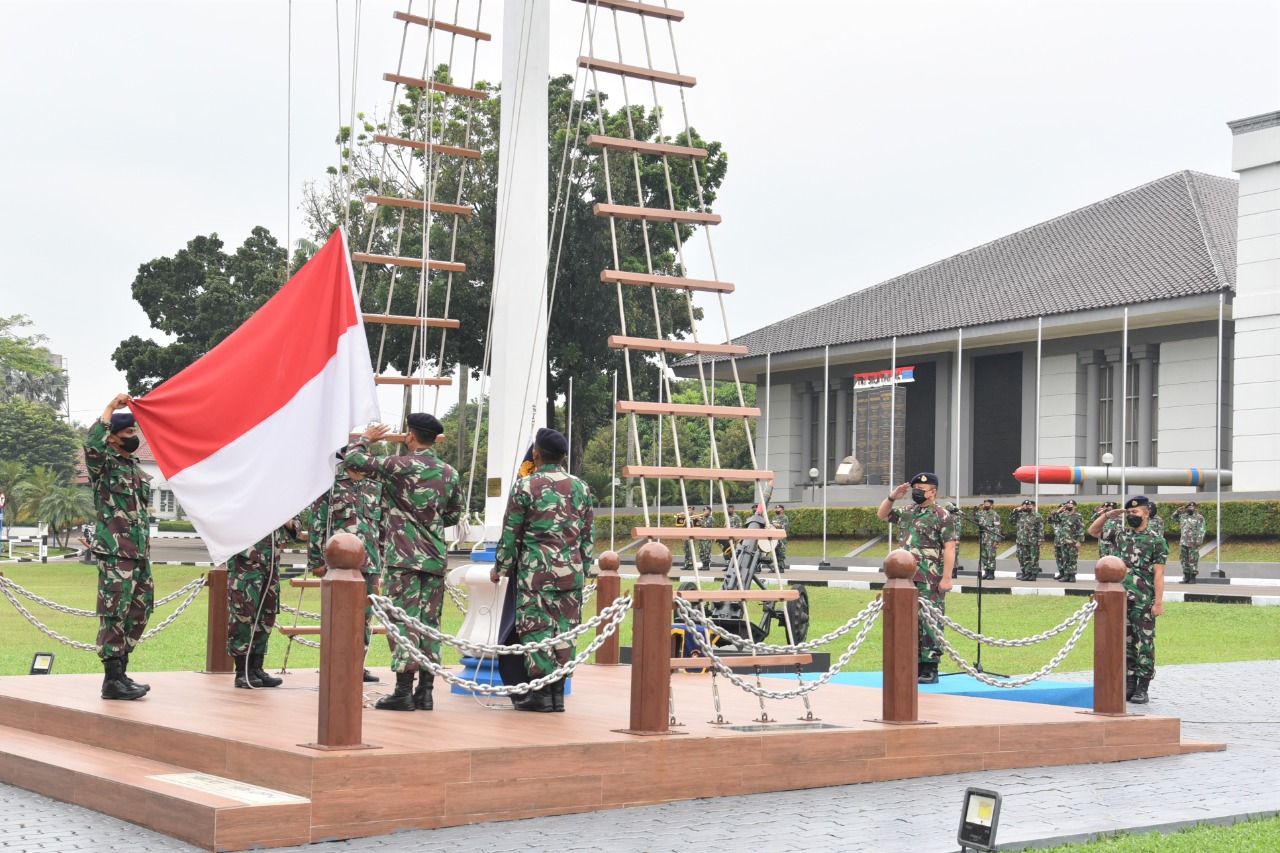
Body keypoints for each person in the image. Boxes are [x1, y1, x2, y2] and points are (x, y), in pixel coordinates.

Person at [346, 413, 462, 711]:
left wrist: (366, 439)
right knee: (428, 624)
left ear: (410, 435)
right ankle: (425, 691)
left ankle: (402, 691)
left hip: (405, 557)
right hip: (435, 558)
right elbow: (453, 514)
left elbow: (355, 461)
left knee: (402, 620)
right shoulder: (449, 472)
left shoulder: (398, 466)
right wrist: (428, 521)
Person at [489, 428, 594, 712]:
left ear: (535, 453)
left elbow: (511, 533)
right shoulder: (581, 487)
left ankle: (541, 694)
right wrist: (584, 568)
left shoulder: (525, 486)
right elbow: (586, 535)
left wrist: (501, 567)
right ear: (562, 456)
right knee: (564, 632)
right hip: (570, 575)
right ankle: (557, 694)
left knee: (535, 631)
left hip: (535, 575)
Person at [84, 394, 153, 701]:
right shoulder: (104, 465)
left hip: (139, 553)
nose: (133, 438)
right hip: (115, 553)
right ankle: (112, 679)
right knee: (114, 612)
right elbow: (92, 445)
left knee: (140, 610)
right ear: (111, 438)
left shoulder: (136, 468)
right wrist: (111, 408)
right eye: (127, 434)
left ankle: (121, 672)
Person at [309, 451, 385, 682]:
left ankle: (357, 665)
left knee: (364, 616)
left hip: (368, 562)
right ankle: (336, 664)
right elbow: (318, 522)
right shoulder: (331, 485)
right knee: (338, 614)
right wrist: (316, 559)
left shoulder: (376, 487)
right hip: (338, 565)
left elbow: (382, 527)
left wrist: (382, 559)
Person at [877, 472, 958, 684]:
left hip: (930, 577)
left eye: (921, 490)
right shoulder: (908, 512)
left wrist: (947, 578)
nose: (917, 493)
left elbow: (950, 548)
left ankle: (930, 667)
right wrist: (893, 496)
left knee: (930, 621)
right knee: (907, 620)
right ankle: (911, 663)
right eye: (915, 490)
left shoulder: (942, 516)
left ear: (933, 492)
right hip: (904, 577)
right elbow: (882, 514)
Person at [1089, 495, 1167, 704]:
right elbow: (1093, 531)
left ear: (1146, 513)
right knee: (1126, 642)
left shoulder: (1156, 540)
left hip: (1143, 600)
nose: (1132, 515)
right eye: (1129, 513)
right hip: (1120, 598)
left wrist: (1158, 603)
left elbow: (1159, 575)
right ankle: (1129, 684)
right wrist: (1107, 515)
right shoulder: (1120, 534)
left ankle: (1143, 687)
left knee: (1144, 643)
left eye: (1135, 512)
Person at [227, 518, 299, 689]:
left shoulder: (280, 495)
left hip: (271, 561)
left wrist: (288, 521)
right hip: (246, 560)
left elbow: (295, 527)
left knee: (266, 614)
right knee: (244, 613)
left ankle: (256, 667)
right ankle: (242, 671)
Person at [1048, 500, 1085, 583]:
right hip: (1063, 541)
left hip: (1073, 541)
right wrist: (1059, 510)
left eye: (1070, 504)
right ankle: (1066, 575)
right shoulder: (1063, 515)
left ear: (1075, 506)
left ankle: (1072, 576)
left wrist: (1079, 541)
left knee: (1072, 559)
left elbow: (1081, 529)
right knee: (1065, 559)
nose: (1068, 505)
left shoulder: (1078, 516)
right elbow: (1053, 519)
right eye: (1067, 504)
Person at [1172, 502, 1206, 584]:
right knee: (1184, 560)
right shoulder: (1183, 516)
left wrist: (1199, 540)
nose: (1191, 509)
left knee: (1193, 559)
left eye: (1193, 507)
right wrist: (1178, 511)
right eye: (1189, 507)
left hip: (1193, 542)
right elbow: (1174, 517)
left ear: (1196, 508)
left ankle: (1193, 577)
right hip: (1183, 541)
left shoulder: (1199, 517)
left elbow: (1201, 529)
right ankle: (1186, 577)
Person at [1013, 500, 1044, 581]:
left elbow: (1040, 528)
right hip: (1022, 540)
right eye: (1026, 506)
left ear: (1034, 507)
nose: (1028, 507)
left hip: (1033, 540)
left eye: (1030, 506)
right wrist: (1017, 510)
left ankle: (1033, 574)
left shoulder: (1037, 516)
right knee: (1025, 558)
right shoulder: (1021, 515)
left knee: (1033, 558)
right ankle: (1027, 573)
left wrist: (1040, 539)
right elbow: (1011, 519)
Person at [973, 499, 1002, 580]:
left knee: (991, 556)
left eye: (987, 504)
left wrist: (996, 541)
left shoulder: (995, 515)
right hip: (983, 538)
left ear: (991, 505)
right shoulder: (981, 513)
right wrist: (976, 508)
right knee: (984, 556)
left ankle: (991, 573)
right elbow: (975, 517)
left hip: (991, 538)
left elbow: (998, 528)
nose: (985, 505)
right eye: (984, 504)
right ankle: (986, 572)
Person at [772, 504, 790, 572]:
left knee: (781, 553)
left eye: (779, 509)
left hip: (782, 538)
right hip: (775, 538)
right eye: (776, 509)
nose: (777, 510)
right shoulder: (774, 518)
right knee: (775, 553)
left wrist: (777, 525)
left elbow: (785, 527)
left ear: (782, 510)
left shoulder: (784, 518)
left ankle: (781, 567)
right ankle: (776, 567)